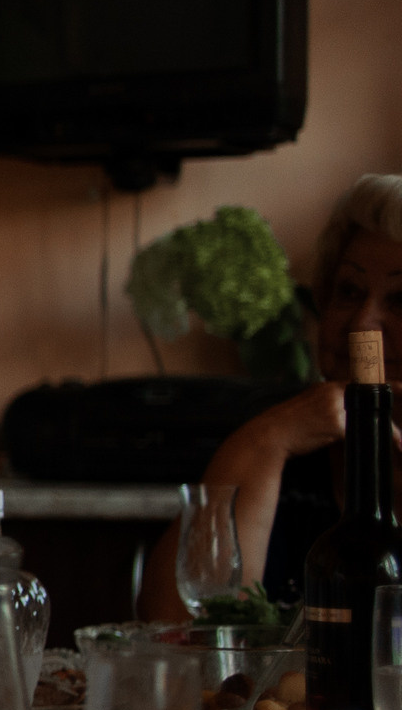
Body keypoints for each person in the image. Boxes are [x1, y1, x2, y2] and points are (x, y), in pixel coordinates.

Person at [143, 173, 402, 618]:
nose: (362, 325)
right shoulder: (281, 454)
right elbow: (180, 637)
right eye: (349, 291)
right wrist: (266, 439)